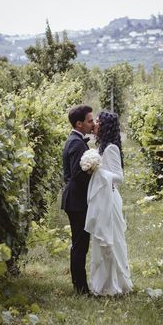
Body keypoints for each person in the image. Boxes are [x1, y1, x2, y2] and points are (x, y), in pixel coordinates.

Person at [85, 111, 133, 296]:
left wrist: (99, 172)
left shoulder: (111, 148)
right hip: (102, 198)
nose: (95, 124)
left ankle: (113, 284)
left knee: (110, 239)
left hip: (110, 200)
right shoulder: (102, 147)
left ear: (105, 126)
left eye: (98, 121)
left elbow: (119, 178)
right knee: (101, 240)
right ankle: (103, 282)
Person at [61, 105, 95, 295]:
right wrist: (95, 177)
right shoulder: (75, 143)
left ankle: (80, 285)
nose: (92, 123)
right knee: (80, 244)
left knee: (80, 243)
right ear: (79, 123)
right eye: (89, 121)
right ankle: (81, 288)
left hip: (76, 199)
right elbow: (76, 174)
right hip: (76, 201)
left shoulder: (76, 140)